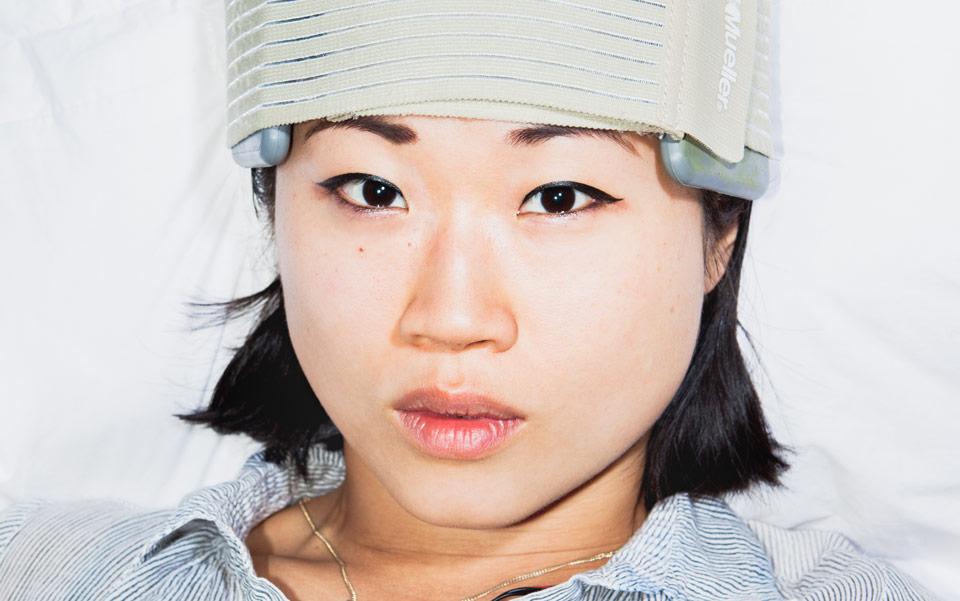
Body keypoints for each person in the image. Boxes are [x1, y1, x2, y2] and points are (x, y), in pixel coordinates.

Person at [0, 2, 933, 600]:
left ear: (718, 233)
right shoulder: (44, 568)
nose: (449, 317)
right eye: (373, 190)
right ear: (272, 206)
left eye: (558, 197)